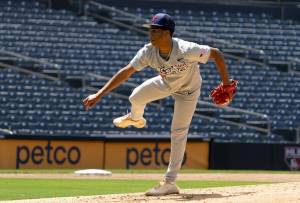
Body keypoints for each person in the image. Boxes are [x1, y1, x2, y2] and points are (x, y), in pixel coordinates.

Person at [83, 13, 232, 196]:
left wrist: (226, 84)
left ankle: (170, 182)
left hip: (188, 92)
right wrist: (99, 93)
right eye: (150, 30)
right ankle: (136, 119)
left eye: (156, 31)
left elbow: (216, 54)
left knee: (178, 132)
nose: (151, 34)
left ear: (168, 33)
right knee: (135, 97)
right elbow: (126, 71)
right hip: (167, 84)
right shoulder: (148, 51)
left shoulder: (186, 49)